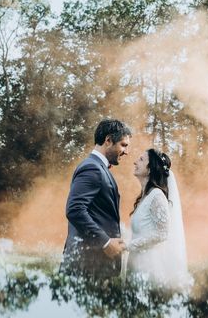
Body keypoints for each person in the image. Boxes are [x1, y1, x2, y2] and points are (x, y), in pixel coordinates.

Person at [61, 118, 131, 279]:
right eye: (123, 145)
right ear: (108, 140)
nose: (126, 151)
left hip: (93, 265)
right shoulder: (92, 167)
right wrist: (105, 242)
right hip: (87, 264)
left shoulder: (98, 167)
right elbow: (75, 210)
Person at [125, 149, 190, 290]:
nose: (135, 162)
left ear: (150, 169)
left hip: (148, 267)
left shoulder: (157, 196)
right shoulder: (145, 197)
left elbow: (162, 234)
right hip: (135, 262)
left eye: (141, 159)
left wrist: (130, 245)